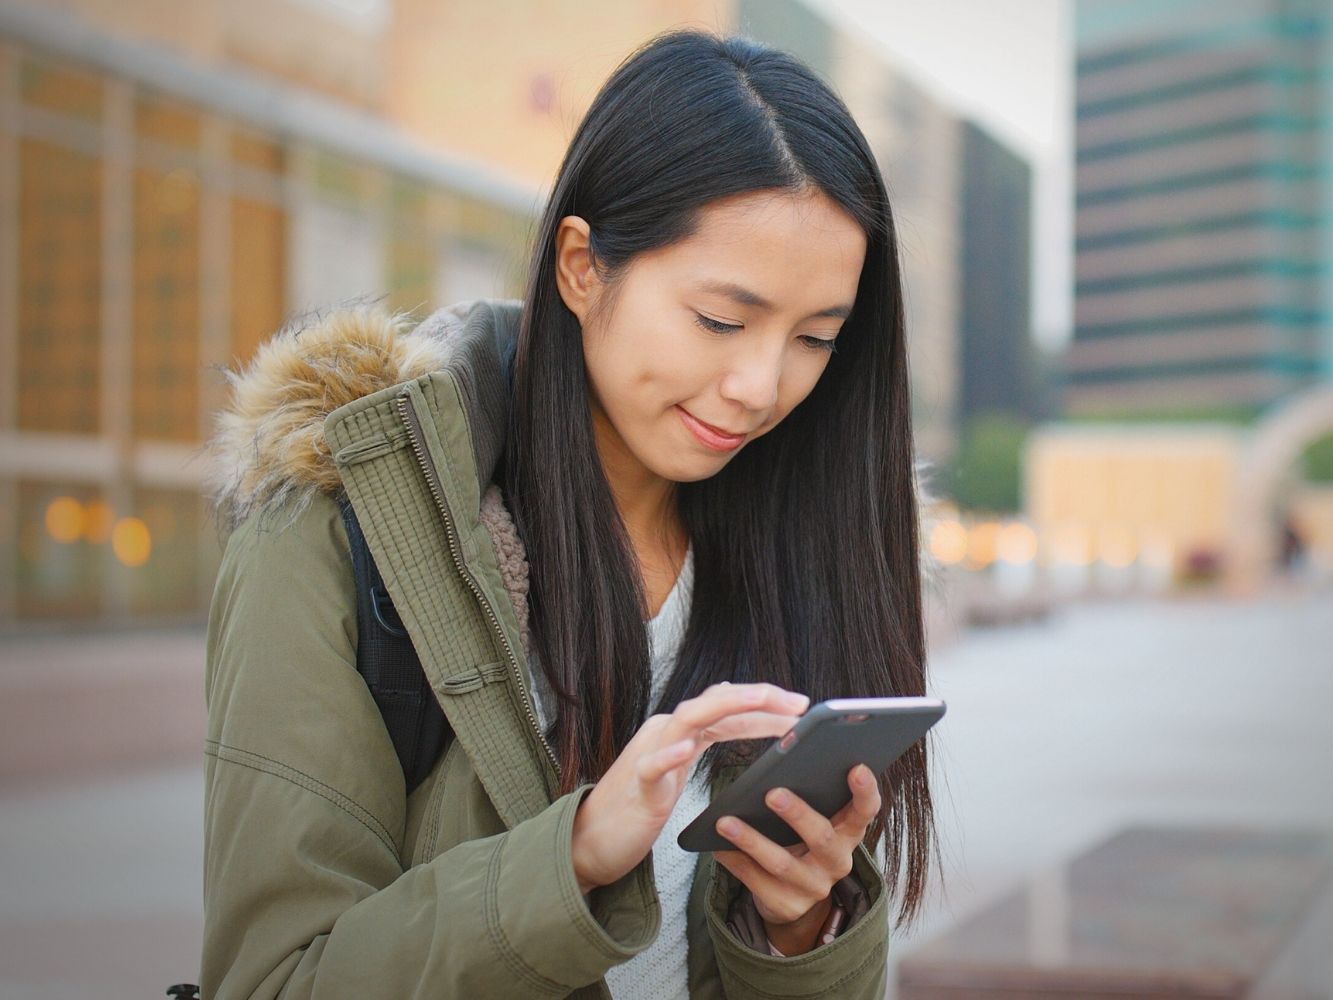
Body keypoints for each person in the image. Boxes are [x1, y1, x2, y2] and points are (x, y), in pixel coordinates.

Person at [200, 28, 936, 1000]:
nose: (760, 386)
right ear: (583, 266)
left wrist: (799, 930)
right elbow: (276, 982)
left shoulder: (801, 548)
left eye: (815, 337)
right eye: (721, 320)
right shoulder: (341, 534)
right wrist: (574, 859)